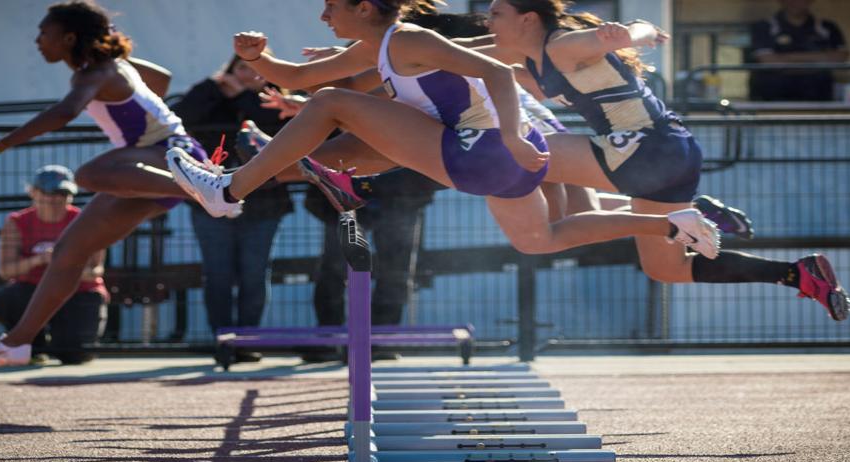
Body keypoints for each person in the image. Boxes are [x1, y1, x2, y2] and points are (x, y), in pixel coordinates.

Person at [165, 0, 724, 282]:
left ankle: (229, 190)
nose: (323, 15)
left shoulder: (410, 39)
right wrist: (256, 57)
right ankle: (672, 222)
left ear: (365, 8)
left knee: (336, 112)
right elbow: (296, 76)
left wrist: (512, 133)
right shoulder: (376, 49)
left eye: (332, 6)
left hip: (488, 150)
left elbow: (502, 73)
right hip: (497, 159)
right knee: (539, 240)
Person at [482, 0, 850, 320]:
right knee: (665, 269)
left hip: (646, 147)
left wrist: (639, 32)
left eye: (496, 13)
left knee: (512, 155)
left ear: (527, 18)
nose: (487, 20)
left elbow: (633, 32)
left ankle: (696, 215)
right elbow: (468, 54)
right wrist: (430, 50)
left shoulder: (562, 45)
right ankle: (796, 273)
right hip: (669, 150)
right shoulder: (531, 62)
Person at [0, 0, 213, 367]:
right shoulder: (115, 66)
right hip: (154, 166)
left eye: (44, 34)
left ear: (70, 38)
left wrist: (0, 144)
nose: (37, 41)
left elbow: (63, 112)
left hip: (171, 153)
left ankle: (206, 190)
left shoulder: (93, 73)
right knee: (68, 252)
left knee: (89, 175)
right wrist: (133, 88)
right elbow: (164, 79)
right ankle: (16, 344)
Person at [171, 54, 295, 364]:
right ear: (228, 71)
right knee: (218, 274)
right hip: (209, 202)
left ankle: (248, 340)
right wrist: (214, 88)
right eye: (241, 69)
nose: (247, 75)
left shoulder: (274, 98)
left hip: (265, 203)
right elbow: (179, 117)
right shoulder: (210, 93)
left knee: (254, 274)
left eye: (255, 70)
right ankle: (223, 341)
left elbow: (271, 126)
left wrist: (243, 94)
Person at [0, 165, 108, 364]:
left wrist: (65, 263)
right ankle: (34, 344)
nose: (55, 199)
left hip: (78, 291)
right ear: (33, 193)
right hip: (33, 290)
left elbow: (96, 271)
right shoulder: (17, 222)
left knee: (75, 355)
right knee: (4, 300)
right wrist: (40, 260)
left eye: (63, 193)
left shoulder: (86, 220)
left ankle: (63, 340)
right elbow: (6, 271)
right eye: (48, 192)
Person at [749, 0, 850, 102]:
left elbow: (840, 58)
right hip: (773, 100)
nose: (795, 2)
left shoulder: (827, 26)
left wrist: (786, 59)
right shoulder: (763, 26)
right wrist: (820, 59)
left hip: (819, 100)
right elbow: (769, 61)